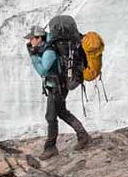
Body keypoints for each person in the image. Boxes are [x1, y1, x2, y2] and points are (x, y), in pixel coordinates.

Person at [26, 26, 92, 160]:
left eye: (32, 38)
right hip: (57, 86)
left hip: (57, 88)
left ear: (39, 38)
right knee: (61, 112)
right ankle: (82, 135)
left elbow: (43, 71)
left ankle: (50, 148)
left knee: (51, 117)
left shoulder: (49, 51)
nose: (30, 41)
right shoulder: (45, 49)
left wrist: (33, 57)